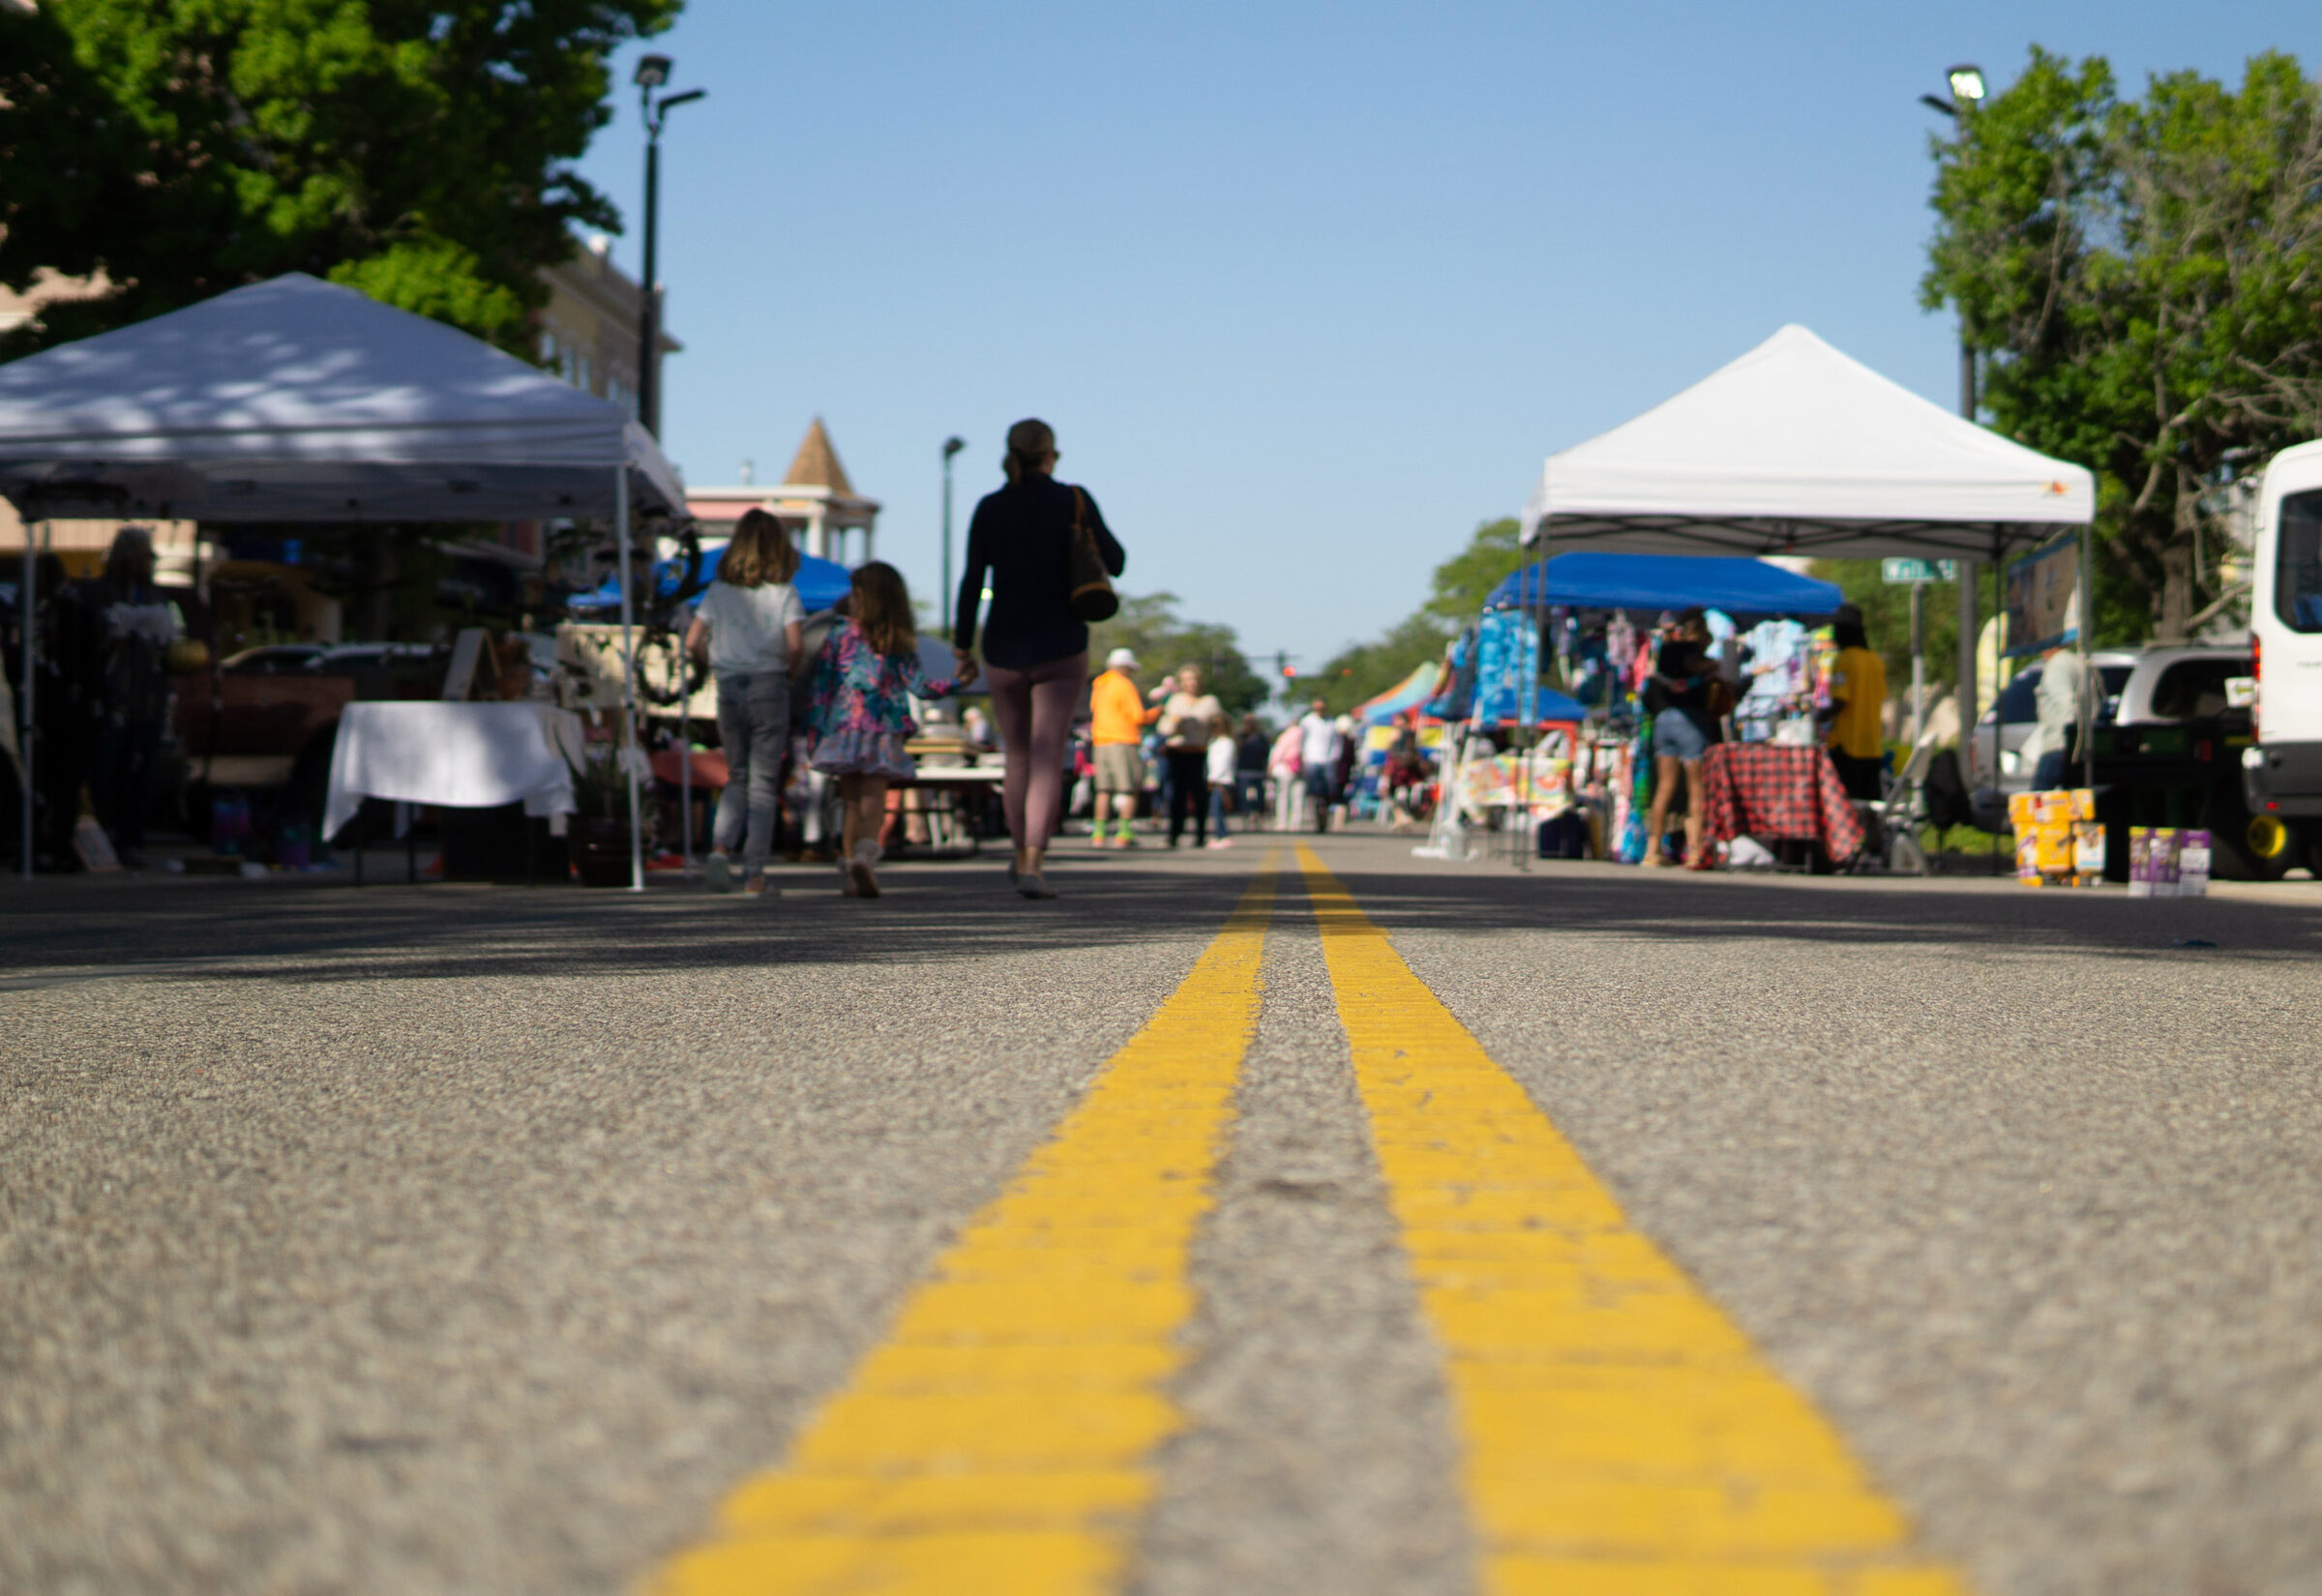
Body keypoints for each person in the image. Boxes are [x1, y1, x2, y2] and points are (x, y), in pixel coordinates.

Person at [953, 418, 1124, 899]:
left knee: (1018, 756)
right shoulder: (1073, 499)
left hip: (1003, 646)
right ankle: (1034, 861)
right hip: (1061, 643)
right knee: (1049, 755)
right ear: (1053, 453)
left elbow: (971, 582)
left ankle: (1016, 852)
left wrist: (962, 646)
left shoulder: (990, 507)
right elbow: (1116, 561)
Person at [806, 561, 962, 900]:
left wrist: (815, 729)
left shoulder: (839, 633)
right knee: (875, 798)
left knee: (849, 801)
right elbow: (921, 686)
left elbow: (822, 686)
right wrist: (955, 682)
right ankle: (865, 856)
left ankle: (850, 867)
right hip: (883, 728)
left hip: (843, 726)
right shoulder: (898, 638)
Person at [686, 509, 804, 897]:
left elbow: (692, 641)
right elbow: (795, 644)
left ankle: (720, 849)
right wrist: (789, 672)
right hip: (769, 683)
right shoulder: (783, 593)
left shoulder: (717, 592)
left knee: (736, 775)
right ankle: (754, 872)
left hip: (728, 684)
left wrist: (710, 665)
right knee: (765, 783)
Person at [79, 528, 185, 868]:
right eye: (140, 556)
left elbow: (176, 641)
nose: (145, 564)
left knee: (142, 772)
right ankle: (106, 836)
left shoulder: (157, 595)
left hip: (149, 700)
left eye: (148, 557)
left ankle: (132, 838)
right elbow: (92, 641)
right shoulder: (102, 593)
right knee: (108, 772)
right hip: (114, 698)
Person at [1642, 608, 1718, 868]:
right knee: (1696, 788)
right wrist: (1711, 665)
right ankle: (1695, 851)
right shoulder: (1693, 652)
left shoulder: (1664, 651)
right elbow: (1693, 665)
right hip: (1690, 722)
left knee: (1663, 788)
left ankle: (1652, 850)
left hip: (1664, 721)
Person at [1087, 645, 1159, 848]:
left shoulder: (1099, 685)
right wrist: (1156, 712)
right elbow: (1138, 716)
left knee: (1103, 789)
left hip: (1101, 741)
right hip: (1123, 740)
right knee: (1128, 789)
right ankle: (1124, 833)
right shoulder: (1124, 685)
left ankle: (1099, 834)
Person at [1822, 602, 1889, 801]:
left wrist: (1820, 715)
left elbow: (1841, 701)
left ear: (1844, 631)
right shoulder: (1875, 660)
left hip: (1847, 746)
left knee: (1846, 803)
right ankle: (1875, 833)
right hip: (1872, 745)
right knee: (1871, 802)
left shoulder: (1844, 661)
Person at [1154, 664, 1226, 847]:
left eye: (1192, 680)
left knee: (1200, 795)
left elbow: (1220, 727)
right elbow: (1164, 727)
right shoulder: (1175, 700)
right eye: (1185, 680)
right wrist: (1175, 726)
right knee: (1177, 794)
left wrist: (1214, 723)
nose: (1189, 684)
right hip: (1178, 752)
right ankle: (1174, 833)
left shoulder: (1210, 701)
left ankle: (1201, 834)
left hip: (1199, 751)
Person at [2023, 642, 2089, 793]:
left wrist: (2068, 736)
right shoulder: (2078, 662)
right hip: (2080, 745)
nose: (2041, 652)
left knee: (2038, 800)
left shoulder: (2057, 664)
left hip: (2058, 744)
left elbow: (2065, 703)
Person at [1297, 697, 1342, 833]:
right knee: (1313, 792)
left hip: (1327, 760)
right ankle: (1315, 816)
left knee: (1331, 789)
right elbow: (1302, 741)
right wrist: (1303, 757)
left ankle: (1326, 812)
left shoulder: (1331, 722)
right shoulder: (1307, 721)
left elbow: (1337, 742)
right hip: (1312, 759)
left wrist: (1335, 757)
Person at [1205, 715, 1238, 846]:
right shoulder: (1214, 742)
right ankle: (1218, 834)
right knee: (1215, 810)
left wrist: (1213, 778)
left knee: (1218, 810)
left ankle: (1223, 835)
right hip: (1215, 779)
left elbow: (1223, 762)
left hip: (1222, 781)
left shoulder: (1226, 742)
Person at [1268, 720, 1305, 830]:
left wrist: (1271, 765)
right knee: (1298, 797)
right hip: (1301, 768)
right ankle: (1296, 822)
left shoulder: (1286, 736)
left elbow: (1279, 751)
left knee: (1283, 796)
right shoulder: (1304, 734)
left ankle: (1282, 822)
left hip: (1286, 767)